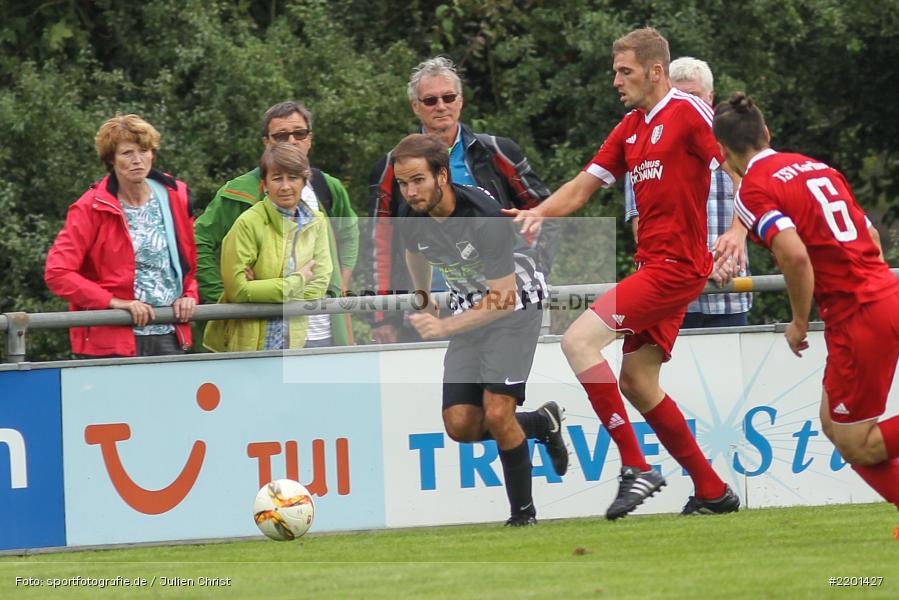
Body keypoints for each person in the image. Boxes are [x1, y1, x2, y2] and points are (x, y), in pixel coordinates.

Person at [508, 28, 740, 519]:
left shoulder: (690, 112)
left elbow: (743, 167)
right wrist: (539, 213)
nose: (615, 80)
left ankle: (636, 465)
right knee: (637, 380)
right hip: (656, 265)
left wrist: (739, 231)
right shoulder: (631, 126)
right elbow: (583, 186)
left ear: (656, 71)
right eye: (615, 71)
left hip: (676, 268)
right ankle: (713, 489)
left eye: (624, 71)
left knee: (577, 343)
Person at [713, 92, 899, 512]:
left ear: (723, 151)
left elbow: (794, 254)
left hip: (858, 314)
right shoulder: (820, 168)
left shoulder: (753, 190)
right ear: (767, 132)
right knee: (834, 425)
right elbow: (870, 238)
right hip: (885, 294)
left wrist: (799, 322)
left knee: (858, 442)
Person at [392, 133, 567, 526]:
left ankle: (523, 517)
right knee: (460, 425)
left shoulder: (482, 215)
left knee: (497, 412)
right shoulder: (409, 213)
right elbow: (412, 250)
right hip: (468, 310)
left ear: (442, 176)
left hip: (515, 307)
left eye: (418, 180)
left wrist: (444, 326)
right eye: (403, 183)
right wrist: (422, 295)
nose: (411, 191)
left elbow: (503, 298)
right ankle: (541, 423)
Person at [369, 56, 554, 344]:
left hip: (501, 298)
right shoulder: (392, 167)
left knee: (501, 387)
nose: (441, 106)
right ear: (415, 107)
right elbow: (382, 241)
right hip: (429, 307)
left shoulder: (497, 151)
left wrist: (535, 271)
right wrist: (384, 316)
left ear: (460, 101)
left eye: (448, 97)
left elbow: (544, 212)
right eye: (430, 100)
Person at [195, 101, 358, 347]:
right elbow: (198, 242)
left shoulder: (328, 187)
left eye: (299, 133)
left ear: (310, 138)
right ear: (266, 142)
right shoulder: (238, 193)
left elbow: (350, 233)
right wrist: (223, 293)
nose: (292, 141)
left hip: (322, 329)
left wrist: (339, 283)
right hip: (259, 330)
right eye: (281, 135)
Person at [45, 114, 198, 357]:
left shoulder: (175, 194)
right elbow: (57, 272)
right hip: (111, 340)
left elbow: (189, 261)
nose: (138, 160)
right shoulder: (90, 207)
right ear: (111, 160)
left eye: (145, 150)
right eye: (127, 153)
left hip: (170, 332)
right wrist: (114, 302)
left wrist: (189, 295)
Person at [624, 57, 752, 328]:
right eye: (678, 96)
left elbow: (752, 202)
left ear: (711, 97)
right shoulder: (642, 148)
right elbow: (641, 228)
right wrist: (706, 268)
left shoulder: (734, 150)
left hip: (728, 292)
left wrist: (725, 260)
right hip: (672, 296)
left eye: (693, 96)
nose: (686, 105)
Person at [203, 143, 332, 352]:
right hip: (248, 345)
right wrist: (296, 280)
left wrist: (262, 287)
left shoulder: (317, 222)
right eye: (277, 178)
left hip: (294, 344)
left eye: (293, 177)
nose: (285, 186)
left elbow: (317, 288)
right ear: (264, 184)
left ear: (304, 181)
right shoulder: (248, 223)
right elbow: (237, 290)